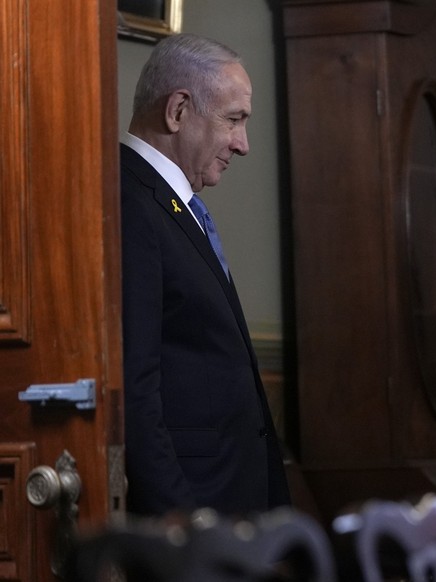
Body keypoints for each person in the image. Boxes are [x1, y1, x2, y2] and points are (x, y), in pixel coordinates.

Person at [121, 33, 290, 516]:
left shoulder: (171, 200)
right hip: (193, 518)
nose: (243, 144)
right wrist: (182, 528)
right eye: (233, 120)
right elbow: (136, 389)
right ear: (178, 111)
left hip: (230, 509)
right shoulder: (128, 201)